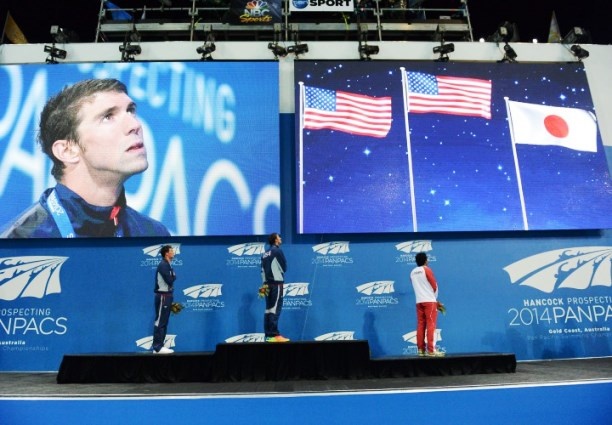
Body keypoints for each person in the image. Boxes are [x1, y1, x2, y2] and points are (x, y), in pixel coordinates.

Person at [0, 78, 170, 238]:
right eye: (108, 116)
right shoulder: (19, 243)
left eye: (131, 111)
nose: (135, 125)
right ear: (67, 151)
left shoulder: (153, 235)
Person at [409, 252, 444, 357]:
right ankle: (431, 350)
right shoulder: (427, 269)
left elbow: (418, 286)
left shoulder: (412, 272)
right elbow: (434, 286)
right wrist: (435, 300)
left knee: (420, 325)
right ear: (425, 260)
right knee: (431, 325)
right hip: (430, 301)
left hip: (419, 301)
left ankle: (420, 350)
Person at [260, 232, 289, 343]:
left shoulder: (264, 254)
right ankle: (273, 334)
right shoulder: (277, 251)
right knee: (274, 309)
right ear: (275, 240)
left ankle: (268, 334)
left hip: (266, 285)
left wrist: (264, 287)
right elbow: (284, 268)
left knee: (268, 309)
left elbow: (262, 272)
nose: (280, 238)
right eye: (279, 237)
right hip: (276, 284)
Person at [152, 244, 176, 354]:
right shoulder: (163, 265)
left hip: (167, 295)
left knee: (164, 321)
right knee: (160, 321)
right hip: (163, 296)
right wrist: (172, 276)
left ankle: (160, 346)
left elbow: (173, 277)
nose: (173, 252)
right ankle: (157, 347)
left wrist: (173, 276)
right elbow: (171, 280)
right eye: (171, 250)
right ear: (166, 253)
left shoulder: (168, 264)